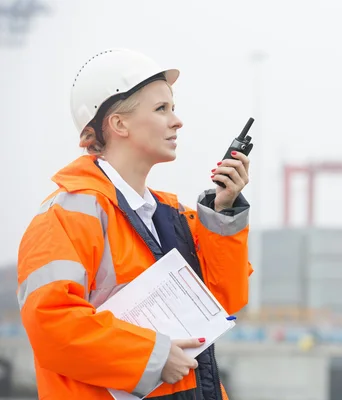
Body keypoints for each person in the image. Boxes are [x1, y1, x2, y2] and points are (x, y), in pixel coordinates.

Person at [16, 48, 253, 399]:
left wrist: (223, 213)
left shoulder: (171, 214)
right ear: (119, 124)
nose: (177, 121)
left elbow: (221, 304)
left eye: (172, 107)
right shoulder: (67, 214)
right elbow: (51, 325)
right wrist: (151, 357)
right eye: (162, 109)